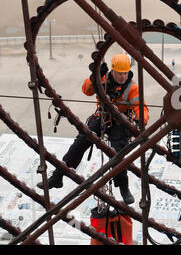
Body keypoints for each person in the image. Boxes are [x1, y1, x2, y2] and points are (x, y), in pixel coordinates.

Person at [37, 54, 149, 205]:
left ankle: (123, 187)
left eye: (125, 73)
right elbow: (86, 90)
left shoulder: (132, 87)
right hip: (102, 116)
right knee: (80, 142)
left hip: (120, 121)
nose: (123, 76)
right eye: (120, 73)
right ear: (113, 71)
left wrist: (139, 121)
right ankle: (58, 175)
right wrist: (94, 77)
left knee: (119, 152)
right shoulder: (102, 79)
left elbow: (141, 108)